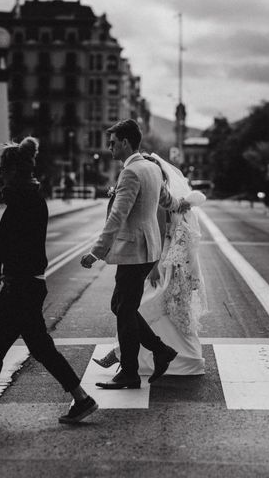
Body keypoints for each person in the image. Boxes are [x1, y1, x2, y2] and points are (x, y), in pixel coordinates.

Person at [0, 137, 97, 424]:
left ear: (13, 172)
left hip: (21, 286)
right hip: (26, 283)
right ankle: (81, 399)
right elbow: (11, 246)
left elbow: (5, 247)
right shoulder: (30, 198)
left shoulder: (22, 201)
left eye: (2, 170)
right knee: (37, 347)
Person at [80, 119, 189, 389]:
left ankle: (131, 371)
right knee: (121, 306)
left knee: (124, 309)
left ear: (126, 142)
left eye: (113, 143)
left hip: (134, 251)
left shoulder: (130, 173)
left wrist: (96, 253)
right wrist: (181, 204)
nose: (109, 147)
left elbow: (118, 215)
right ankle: (160, 351)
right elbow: (167, 200)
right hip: (148, 249)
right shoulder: (151, 168)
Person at [92, 153, 207, 376]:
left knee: (136, 306)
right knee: (131, 306)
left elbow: (161, 230)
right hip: (156, 255)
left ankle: (136, 354)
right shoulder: (159, 190)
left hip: (155, 257)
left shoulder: (151, 193)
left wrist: (155, 266)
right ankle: (143, 353)